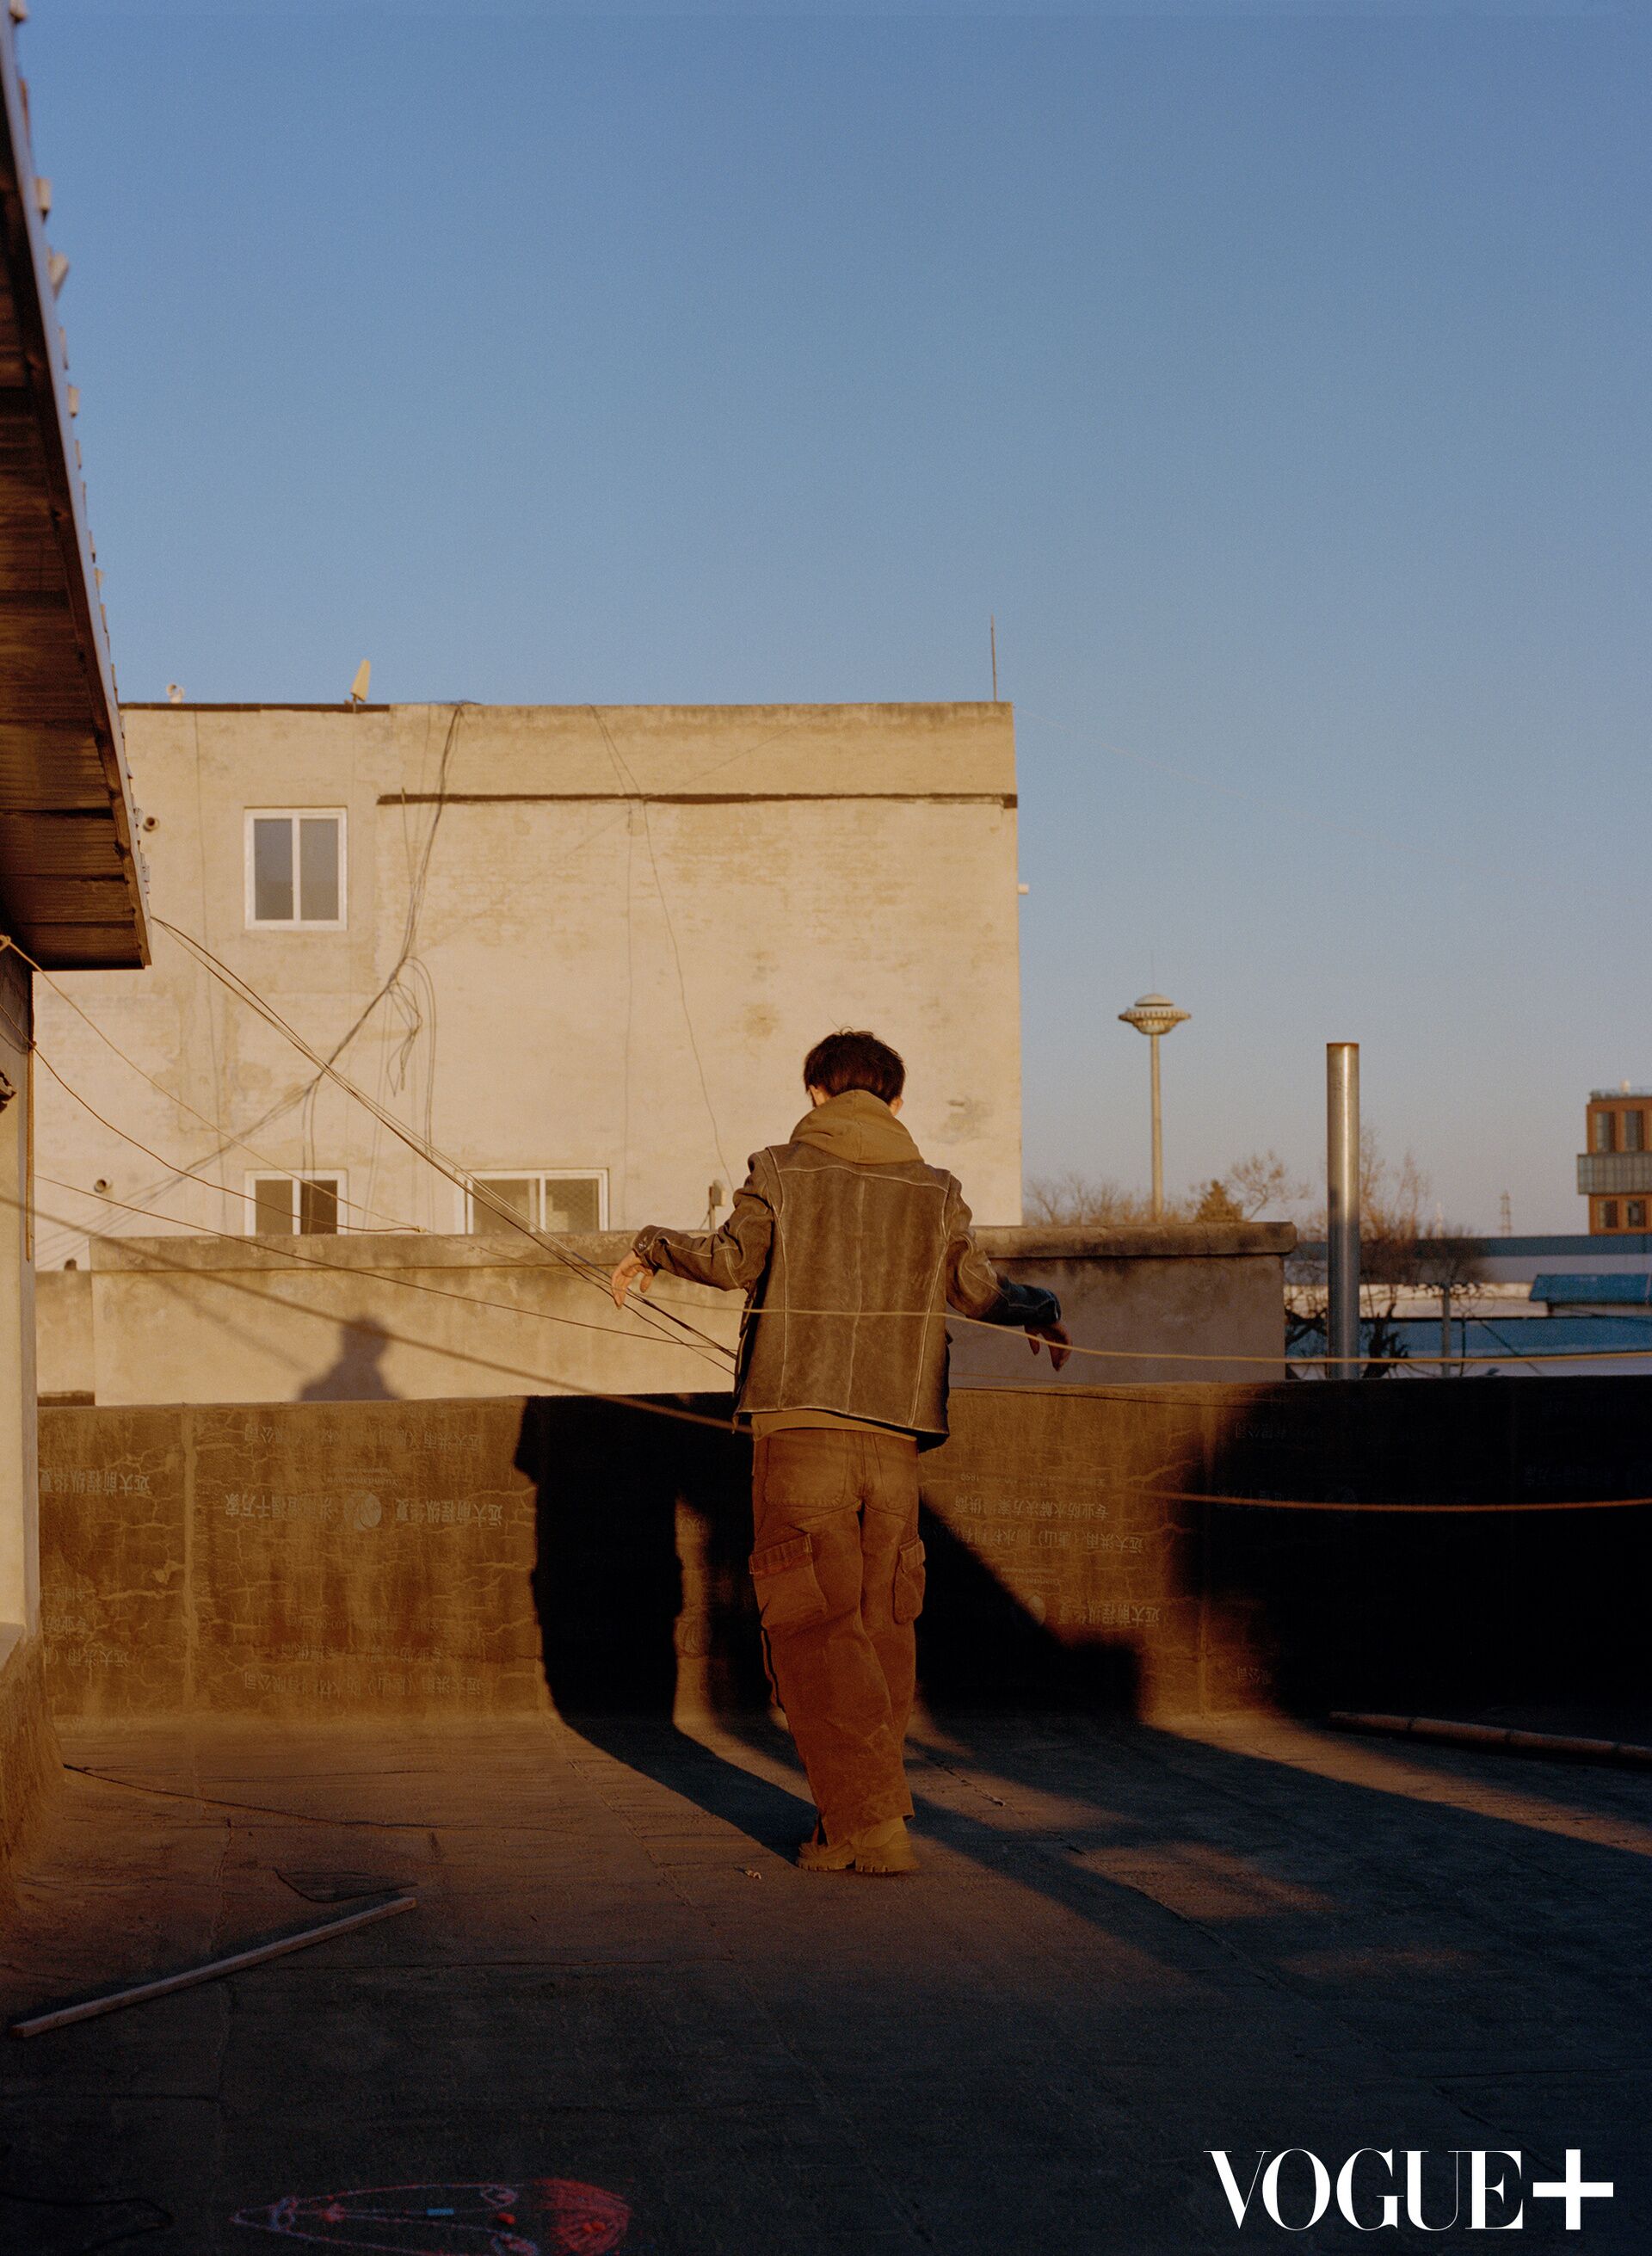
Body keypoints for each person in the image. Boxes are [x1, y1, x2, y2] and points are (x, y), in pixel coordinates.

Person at [609, 1029, 1069, 1877]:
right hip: (896, 1444)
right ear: (895, 1102)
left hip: (802, 1431)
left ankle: (870, 1825)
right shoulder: (937, 1194)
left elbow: (731, 1259)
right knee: (885, 1624)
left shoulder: (780, 1170)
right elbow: (979, 1289)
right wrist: (1039, 1308)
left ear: (816, 1093)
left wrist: (651, 1247)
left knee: (816, 1621)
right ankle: (855, 1819)